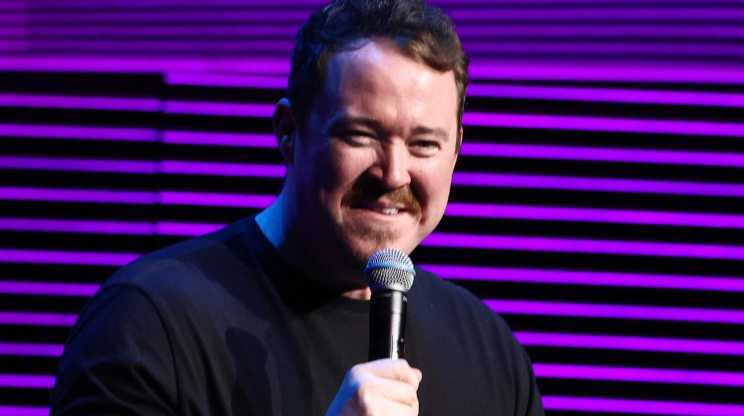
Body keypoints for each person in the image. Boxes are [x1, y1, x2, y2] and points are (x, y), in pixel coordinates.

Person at [50, 0, 544, 414]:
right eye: (361, 135)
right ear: (288, 131)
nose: (393, 174)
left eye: (424, 145)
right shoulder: (148, 322)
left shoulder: (490, 351)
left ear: (457, 150)